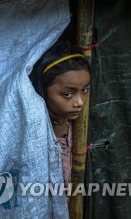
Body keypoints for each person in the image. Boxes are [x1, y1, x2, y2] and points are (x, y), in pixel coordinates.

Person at [30, 42, 91, 192]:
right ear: (42, 90)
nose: (80, 102)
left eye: (84, 90)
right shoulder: (34, 136)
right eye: (68, 94)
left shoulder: (78, 124)